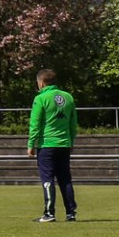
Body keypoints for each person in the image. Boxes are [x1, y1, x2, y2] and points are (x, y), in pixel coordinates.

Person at [27, 69, 78, 222]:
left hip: (47, 144)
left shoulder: (41, 98)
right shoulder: (68, 97)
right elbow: (73, 123)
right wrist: (71, 141)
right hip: (64, 144)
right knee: (65, 179)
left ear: (41, 82)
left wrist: (31, 144)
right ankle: (71, 213)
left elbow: (35, 124)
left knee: (48, 179)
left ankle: (49, 213)